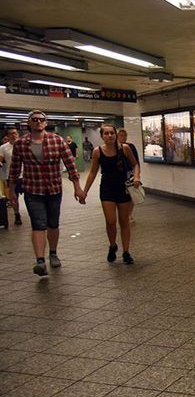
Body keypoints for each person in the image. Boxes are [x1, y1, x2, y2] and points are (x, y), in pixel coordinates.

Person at [7, 111, 86, 276]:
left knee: (53, 223)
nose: (38, 122)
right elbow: (14, 169)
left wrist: (78, 187)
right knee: (38, 224)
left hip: (54, 189)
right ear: (29, 123)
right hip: (32, 190)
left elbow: (70, 164)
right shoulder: (21, 144)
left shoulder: (57, 141)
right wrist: (12, 191)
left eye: (41, 120)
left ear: (46, 122)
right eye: (34, 120)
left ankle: (53, 253)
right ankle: (40, 261)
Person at [82, 124, 141, 265]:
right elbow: (92, 172)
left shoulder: (124, 149)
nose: (110, 136)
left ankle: (126, 252)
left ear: (115, 134)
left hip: (123, 188)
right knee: (110, 221)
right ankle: (112, 245)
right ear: (102, 136)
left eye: (112, 133)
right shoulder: (97, 152)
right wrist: (84, 191)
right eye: (106, 134)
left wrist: (137, 177)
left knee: (124, 221)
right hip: (107, 189)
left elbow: (135, 164)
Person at [117, 129, 140, 223]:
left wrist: (137, 175)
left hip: (130, 173)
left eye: (124, 135)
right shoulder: (115, 148)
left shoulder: (130, 147)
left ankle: (129, 214)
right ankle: (123, 213)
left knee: (132, 195)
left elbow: (136, 162)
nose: (123, 137)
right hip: (120, 175)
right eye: (121, 135)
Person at [0, 128, 22, 226]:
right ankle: (17, 214)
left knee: (31, 197)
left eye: (16, 133)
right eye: (12, 134)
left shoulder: (24, 145)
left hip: (26, 176)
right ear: (7, 136)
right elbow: (1, 159)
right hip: (12, 176)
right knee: (14, 197)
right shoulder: (3, 148)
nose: (14, 135)